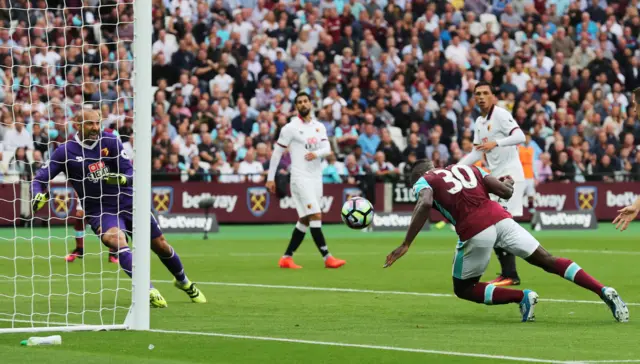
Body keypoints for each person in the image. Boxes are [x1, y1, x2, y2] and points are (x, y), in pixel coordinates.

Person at [384, 159, 628, 323]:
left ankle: (522, 297)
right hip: (502, 219)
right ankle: (602, 289)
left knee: (464, 288)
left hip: (475, 229)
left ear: (416, 176)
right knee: (547, 259)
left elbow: (425, 202)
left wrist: (406, 243)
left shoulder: (423, 180)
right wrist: (508, 181)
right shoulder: (468, 168)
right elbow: (506, 192)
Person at [31, 109, 206, 307]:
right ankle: (147, 288)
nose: (95, 128)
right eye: (90, 124)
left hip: (127, 201)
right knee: (117, 240)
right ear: (77, 125)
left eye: (98, 123)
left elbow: (130, 170)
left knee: (160, 245)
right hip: (99, 209)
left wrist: (124, 178)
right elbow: (39, 178)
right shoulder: (65, 151)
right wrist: (37, 193)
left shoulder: (111, 141)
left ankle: (184, 282)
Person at [266, 92, 346, 269]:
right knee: (316, 214)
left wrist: (315, 154)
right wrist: (270, 178)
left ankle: (286, 257)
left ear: (310, 103)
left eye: (305, 101)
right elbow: (277, 153)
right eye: (299, 102)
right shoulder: (290, 128)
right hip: (299, 177)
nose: (303, 104)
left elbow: (327, 149)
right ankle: (327, 257)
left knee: (305, 219)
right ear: (296, 107)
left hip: (316, 178)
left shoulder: (319, 127)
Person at [458, 81, 526, 287]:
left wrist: (497, 142)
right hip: (497, 179)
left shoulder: (501, 114)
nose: (481, 97)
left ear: (493, 96)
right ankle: (509, 273)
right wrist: (455, 168)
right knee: (494, 223)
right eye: (477, 93)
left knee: (498, 224)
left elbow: (520, 136)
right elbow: (477, 152)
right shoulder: (479, 122)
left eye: (485, 93)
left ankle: (510, 273)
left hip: (511, 176)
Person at [65, 196, 119, 264]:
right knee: (79, 215)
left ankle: (113, 252)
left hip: (103, 189)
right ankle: (79, 249)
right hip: (85, 189)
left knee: (106, 215)